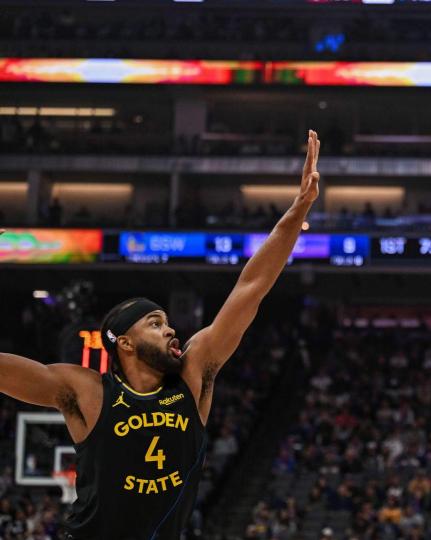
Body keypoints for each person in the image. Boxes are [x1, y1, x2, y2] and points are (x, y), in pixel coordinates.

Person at [0, 131, 322, 539]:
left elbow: (251, 287)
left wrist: (297, 211)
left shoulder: (192, 374)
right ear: (125, 342)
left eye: (166, 320)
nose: (170, 328)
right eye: (154, 322)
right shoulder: (88, 392)